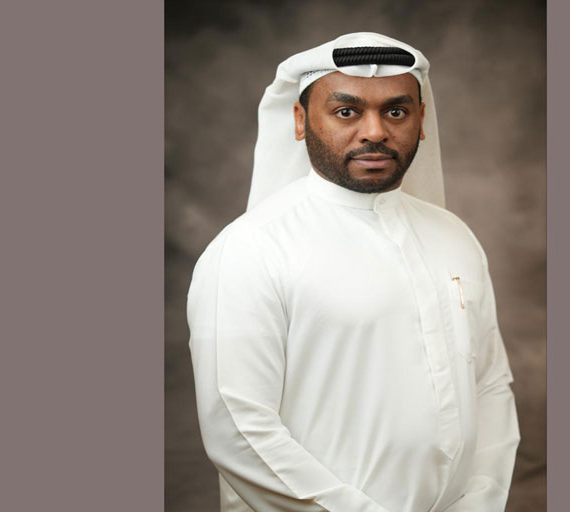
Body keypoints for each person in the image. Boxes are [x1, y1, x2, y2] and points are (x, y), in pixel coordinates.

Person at [187, 32, 520, 512]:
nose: (375, 131)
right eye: (347, 111)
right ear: (300, 120)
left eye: (396, 111)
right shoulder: (251, 249)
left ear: (421, 120)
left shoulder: (455, 236)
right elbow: (238, 428)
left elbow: (489, 385)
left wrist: (481, 502)